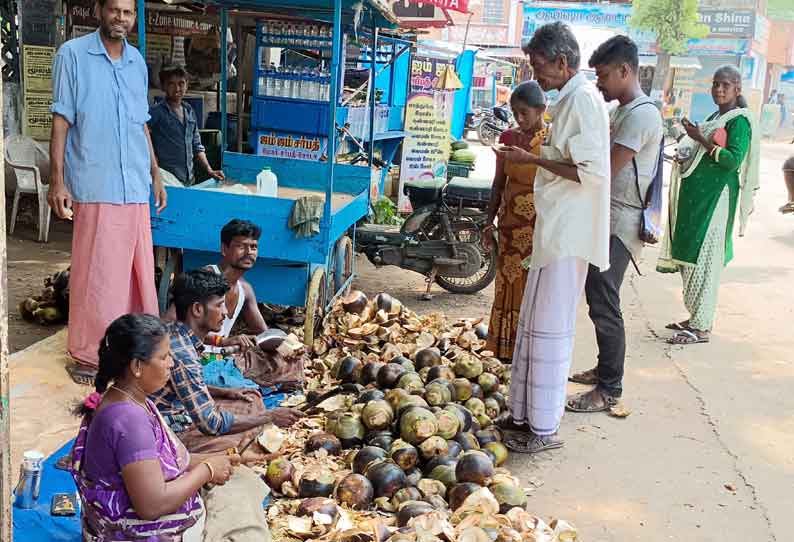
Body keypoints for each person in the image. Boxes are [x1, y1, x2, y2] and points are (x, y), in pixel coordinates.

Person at [494, 22, 611, 454]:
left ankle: (543, 428)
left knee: (550, 325)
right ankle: (524, 414)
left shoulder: (582, 100)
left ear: (562, 62)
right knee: (535, 321)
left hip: (569, 231)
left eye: (539, 67)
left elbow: (590, 171)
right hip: (555, 227)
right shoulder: (572, 98)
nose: (537, 76)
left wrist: (531, 159)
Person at [49, 0, 166, 383]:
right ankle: (87, 353)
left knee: (135, 274)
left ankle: (133, 350)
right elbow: (62, 119)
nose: (120, 17)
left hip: (134, 183)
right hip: (96, 182)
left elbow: (142, 124)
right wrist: (57, 179)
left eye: (127, 12)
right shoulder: (73, 55)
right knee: (96, 274)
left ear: (134, 18)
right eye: (114, 9)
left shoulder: (136, 63)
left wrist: (155, 173)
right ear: (99, 10)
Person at [71, 313, 236, 541]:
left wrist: (215, 459)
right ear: (137, 366)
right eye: (164, 356)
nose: (172, 363)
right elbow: (150, 505)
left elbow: (151, 463)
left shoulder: (129, 398)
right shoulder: (128, 419)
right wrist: (206, 471)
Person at [566, 36, 663, 412]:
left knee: (604, 299)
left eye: (604, 75)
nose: (600, 83)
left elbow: (603, 170)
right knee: (598, 296)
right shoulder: (622, 110)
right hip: (606, 219)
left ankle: (610, 387)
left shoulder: (641, 114)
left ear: (625, 70)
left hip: (620, 223)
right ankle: (605, 369)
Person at [658, 65, 759, 345]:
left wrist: (700, 137)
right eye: (715, 84)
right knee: (691, 258)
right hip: (699, 199)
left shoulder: (739, 121)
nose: (719, 89)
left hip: (716, 201)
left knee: (706, 260)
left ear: (737, 89)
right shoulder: (717, 116)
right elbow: (704, 154)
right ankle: (695, 317)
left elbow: (732, 160)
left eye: (725, 85)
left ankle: (702, 327)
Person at [151, 270, 304, 455]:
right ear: (198, 309)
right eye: (220, 306)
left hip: (176, 409)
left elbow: (183, 386)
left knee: (249, 399)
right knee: (238, 436)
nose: (225, 312)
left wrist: (224, 392)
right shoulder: (185, 358)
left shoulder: (174, 331)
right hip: (164, 428)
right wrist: (269, 416)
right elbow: (211, 424)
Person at [164, 219, 306, 390]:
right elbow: (168, 324)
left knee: (290, 361)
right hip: (195, 360)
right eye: (241, 246)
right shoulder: (206, 279)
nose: (249, 252)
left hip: (224, 360)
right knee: (246, 391)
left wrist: (288, 346)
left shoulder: (245, 290)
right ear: (224, 249)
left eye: (253, 247)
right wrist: (223, 341)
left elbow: (264, 335)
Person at [483, 81, 547, 362]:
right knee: (505, 282)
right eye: (515, 113)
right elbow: (498, 183)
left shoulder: (551, 142)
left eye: (525, 113)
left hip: (537, 228)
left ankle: (526, 350)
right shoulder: (508, 138)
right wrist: (488, 222)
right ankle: (502, 348)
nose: (520, 119)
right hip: (508, 224)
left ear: (541, 110)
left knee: (529, 286)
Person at [148, 65, 225, 186]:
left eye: (181, 83)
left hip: (189, 179)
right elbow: (141, 134)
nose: (177, 88)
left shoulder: (189, 111)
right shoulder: (157, 112)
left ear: (187, 85)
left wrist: (209, 170)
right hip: (166, 179)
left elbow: (197, 145)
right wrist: (153, 160)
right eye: (171, 84)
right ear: (163, 86)